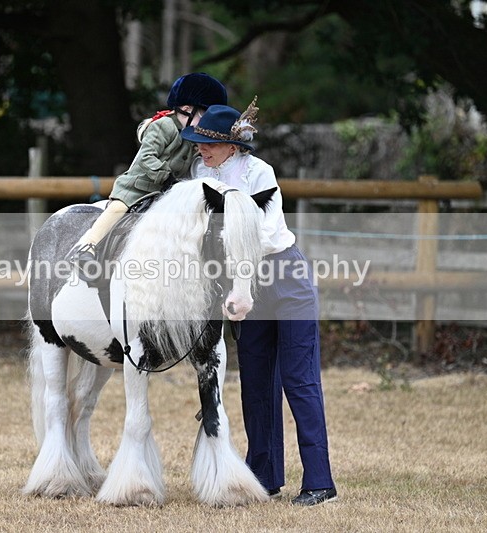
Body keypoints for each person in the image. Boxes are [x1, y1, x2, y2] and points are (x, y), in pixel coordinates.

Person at [181, 99, 337, 506]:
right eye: (198, 144)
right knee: (255, 382)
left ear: (233, 145)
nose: (201, 149)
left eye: (208, 144)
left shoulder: (259, 173)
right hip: (241, 281)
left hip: (283, 278)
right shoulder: (201, 174)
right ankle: (264, 476)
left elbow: (263, 235)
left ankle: (320, 482)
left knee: (299, 380)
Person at [67, 72, 227, 274]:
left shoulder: (191, 134)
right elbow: (146, 157)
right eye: (204, 115)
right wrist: (166, 177)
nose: (206, 123)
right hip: (138, 186)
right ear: (187, 109)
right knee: (117, 209)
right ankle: (86, 246)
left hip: (167, 192)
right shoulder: (164, 126)